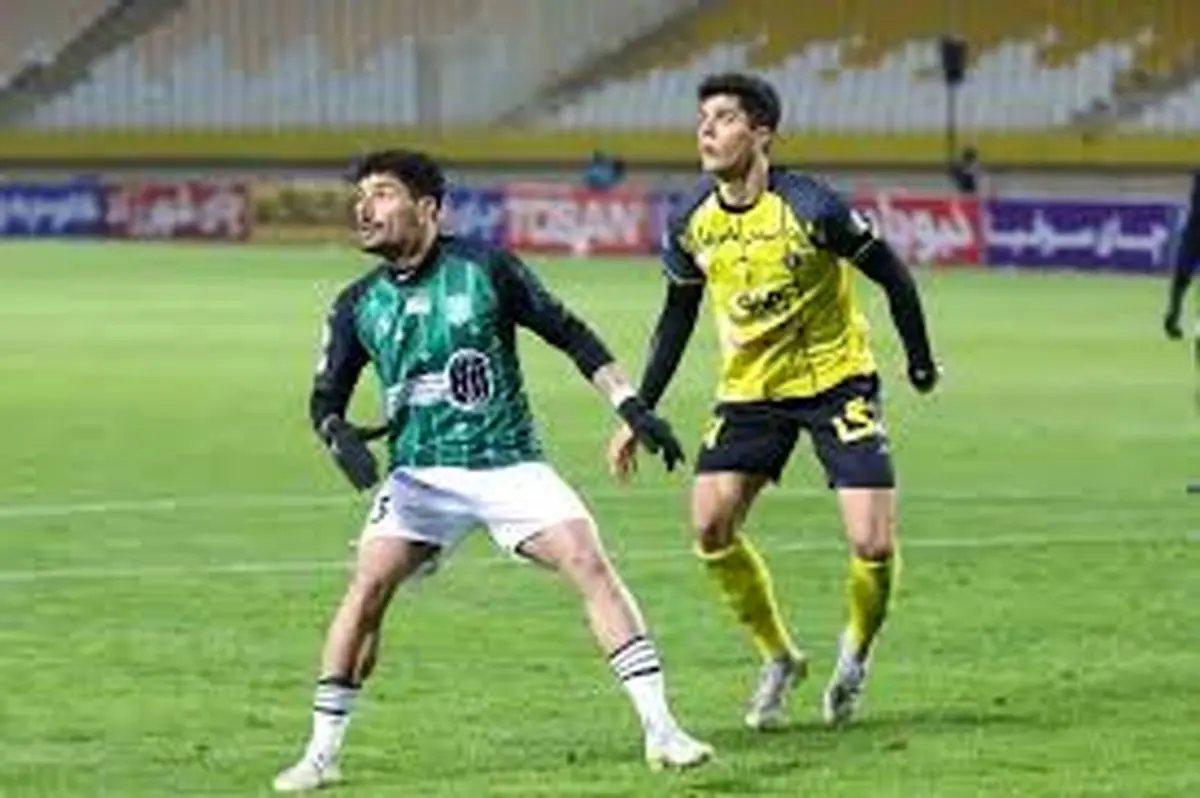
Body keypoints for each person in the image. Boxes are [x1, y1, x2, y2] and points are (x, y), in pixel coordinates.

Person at [273, 149, 712, 792]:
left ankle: (663, 730)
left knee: (588, 560)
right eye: (361, 196)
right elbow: (324, 399)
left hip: (509, 465)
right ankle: (320, 754)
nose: (364, 207)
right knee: (367, 588)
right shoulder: (355, 304)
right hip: (420, 477)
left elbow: (570, 334)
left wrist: (631, 406)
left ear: (427, 207)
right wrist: (336, 433)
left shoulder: (486, 269)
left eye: (383, 193)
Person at [607, 73, 940, 731]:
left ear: (761, 134)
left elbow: (893, 274)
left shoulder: (813, 207)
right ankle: (780, 658)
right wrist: (638, 409)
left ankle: (856, 654)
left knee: (872, 542)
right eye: (702, 118)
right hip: (750, 390)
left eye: (724, 118)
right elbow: (675, 317)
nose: (707, 130)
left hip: (836, 382)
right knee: (710, 527)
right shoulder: (691, 219)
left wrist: (920, 360)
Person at [1163, 170, 1200, 340]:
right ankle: (1173, 314)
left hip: (1193, 232)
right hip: (1194, 232)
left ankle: (1174, 315)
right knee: (1182, 276)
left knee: (1182, 275)